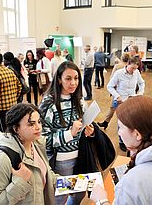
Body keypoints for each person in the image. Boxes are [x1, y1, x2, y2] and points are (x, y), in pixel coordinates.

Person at [39, 61, 95, 205]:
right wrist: (69, 134)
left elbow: (85, 125)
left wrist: (90, 131)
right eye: (68, 78)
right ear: (59, 79)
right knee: (60, 198)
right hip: (63, 161)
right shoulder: (49, 103)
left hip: (82, 156)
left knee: (79, 195)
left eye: (76, 78)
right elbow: (42, 139)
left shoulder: (80, 100)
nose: (73, 83)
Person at [0, 103, 56, 205]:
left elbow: (44, 173)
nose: (38, 127)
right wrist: (20, 182)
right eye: (31, 124)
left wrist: (66, 183)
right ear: (16, 128)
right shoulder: (3, 159)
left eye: (39, 122)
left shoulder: (36, 144)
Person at [99, 57, 145, 151]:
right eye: (132, 68)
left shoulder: (136, 73)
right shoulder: (119, 73)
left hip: (132, 99)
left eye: (135, 68)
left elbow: (141, 83)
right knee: (122, 122)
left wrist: (140, 93)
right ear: (127, 64)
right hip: (121, 100)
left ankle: (130, 139)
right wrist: (117, 96)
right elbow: (110, 86)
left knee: (131, 120)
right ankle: (121, 141)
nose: (133, 70)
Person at [0, 52, 21, 133]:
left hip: (1, 108)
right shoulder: (10, 71)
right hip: (13, 105)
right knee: (12, 128)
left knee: (4, 129)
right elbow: (19, 86)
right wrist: (14, 98)